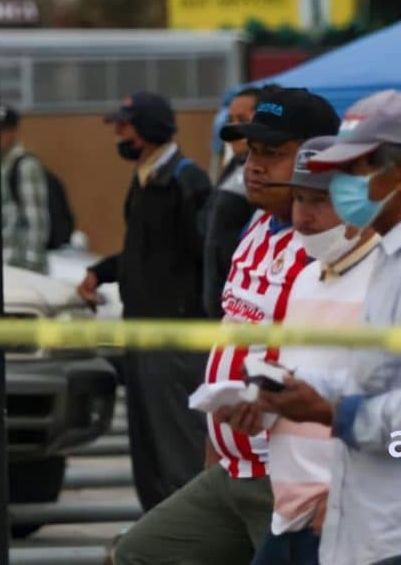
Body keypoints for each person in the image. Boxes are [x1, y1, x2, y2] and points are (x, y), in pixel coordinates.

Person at [254, 89, 401, 565]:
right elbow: (379, 375)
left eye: (356, 170)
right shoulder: (397, 254)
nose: (343, 184)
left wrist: (331, 412)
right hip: (384, 528)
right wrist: (297, 387)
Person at [112, 88, 341, 565]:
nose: (254, 165)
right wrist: (215, 449)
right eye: (251, 151)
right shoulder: (256, 227)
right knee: (138, 554)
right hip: (231, 466)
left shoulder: (332, 247)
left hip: (288, 476)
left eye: (274, 154)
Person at [223, 135, 382, 565]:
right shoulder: (307, 280)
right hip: (292, 515)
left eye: (319, 201)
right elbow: (306, 381)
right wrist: (263, 407)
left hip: (351, 518)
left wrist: (352, 494)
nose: (304, 217)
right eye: (298, 199)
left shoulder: (390, 284)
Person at [76, 91, 213, 512]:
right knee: (148, 444)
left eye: (126, 125)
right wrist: (101, 271)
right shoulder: (145, 180)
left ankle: (189, 534)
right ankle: (158, 530)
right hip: (141, 333)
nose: (119, 133)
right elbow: (145, 254)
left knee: (177, 445)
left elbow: (204, 256)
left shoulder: (186, 182)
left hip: (173, 339)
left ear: (150, 129)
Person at [203, 86, 270, 318]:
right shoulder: (233, 168)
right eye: (230, 119)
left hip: (245, 304)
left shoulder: (265, 178)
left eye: (242, 119)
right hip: (219, 299)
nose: (234, 126)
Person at [0, 105, 49, 273]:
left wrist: (32, 266)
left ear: (13, 131)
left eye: (2, 130)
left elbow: (36, 220)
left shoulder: (25, 166)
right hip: (2, 266)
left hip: (20, 265)